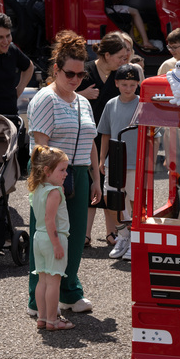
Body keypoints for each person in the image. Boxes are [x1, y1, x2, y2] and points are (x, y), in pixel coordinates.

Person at [27, 29, 101, 316]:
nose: (75, 80)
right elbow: (40, 146)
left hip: (79, 174)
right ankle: (39, 301)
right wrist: (49, 183)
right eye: (70, 74)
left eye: (81, 75)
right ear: (56, 69)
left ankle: (69, 292)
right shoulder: (45, 99)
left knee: (74, 236)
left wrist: (96, 178)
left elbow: (91, 140)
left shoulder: (82, 101)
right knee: (47, 235)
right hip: (53, 178)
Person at [77, 33, 129, 246]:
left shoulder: (121, 74)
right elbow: (62, 91)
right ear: (107, 55)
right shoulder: (86, 71)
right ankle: (85, 235)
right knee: (89, 187)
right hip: (88, 138)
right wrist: (82, 93)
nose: (124, 61)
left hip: (114, 138)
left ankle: (111, 234)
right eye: (120, 57)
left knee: (110, 188)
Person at [97, 64, 141, 261]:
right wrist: (101, 159)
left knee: (133, 202)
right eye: (124, 84)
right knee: (112, 200)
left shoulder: (143, 104)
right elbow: (105, 133)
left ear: (138, 84)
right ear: (116, 83)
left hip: (134, 161)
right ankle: (123, 235)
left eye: (132, 84)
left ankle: (134, 240)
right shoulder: (110, 104)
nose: (128, 88)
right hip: (113, 161)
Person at [28, 145, 75, 331]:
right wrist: (57, 244)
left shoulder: (38, 189)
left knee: (43, 280)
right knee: (54, 282)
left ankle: (42, 317)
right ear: (47, 171)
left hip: (38, 238)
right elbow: (50, 220)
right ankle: (53, 320)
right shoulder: (54, 193)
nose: (66, 174)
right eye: (62, 170)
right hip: (52, 239)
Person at [0, 12, 35, 170]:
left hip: (9, 119)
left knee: (6, 171)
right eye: (0, 38)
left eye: (8, 35)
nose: (6, 41)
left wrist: (20, 89)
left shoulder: (12, 51)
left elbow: (29, 66)